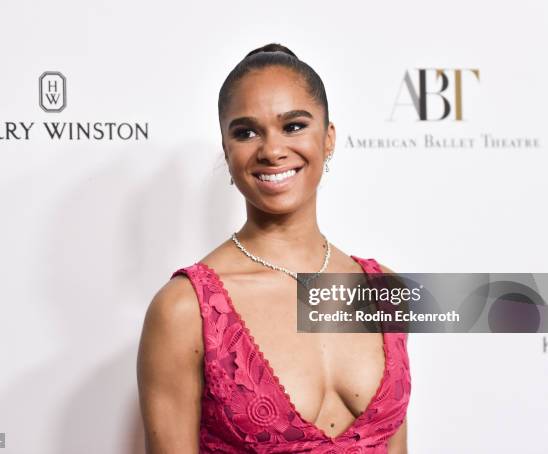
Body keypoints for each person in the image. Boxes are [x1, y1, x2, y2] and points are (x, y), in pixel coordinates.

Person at [137, 43, 411, 453]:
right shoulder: (183, 309)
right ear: (227, 151)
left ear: (329, 138)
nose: (272, 150)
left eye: (294, 125)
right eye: (246, 132)